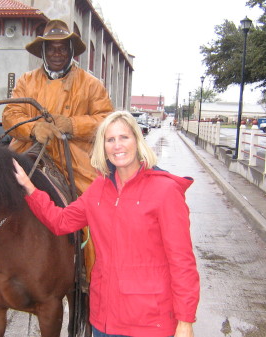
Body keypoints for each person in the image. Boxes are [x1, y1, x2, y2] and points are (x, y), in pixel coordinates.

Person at [13, 111, 200, 337]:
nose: (117, 145)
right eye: (110, 140)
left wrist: (185, 321)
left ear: (138, 140)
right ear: (103, 147)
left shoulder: (165, 192)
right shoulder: (99, 189)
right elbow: (60, 221)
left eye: (124, 137)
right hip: (104, 320)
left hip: (149, 323)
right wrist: (30, 188)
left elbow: (182, 262)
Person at [3, 19, 114, 280]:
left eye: (62, 48)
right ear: (42, 51)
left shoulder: (91, 84)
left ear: (71, 51)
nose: (56, 53)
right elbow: (11, 113)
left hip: (74, 154)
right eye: (51, 48)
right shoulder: (25, 81)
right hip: (27, 148)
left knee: (97, 208)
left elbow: (106, 119)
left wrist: (73, 124)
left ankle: (93, 274)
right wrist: (32, 129)